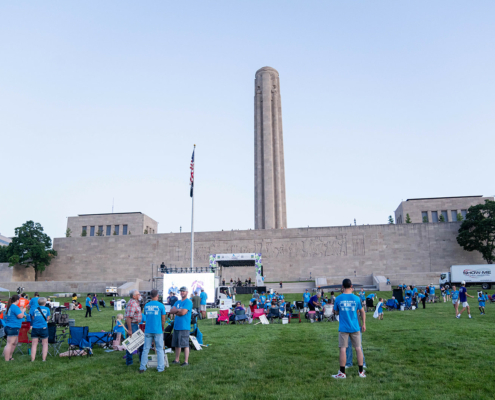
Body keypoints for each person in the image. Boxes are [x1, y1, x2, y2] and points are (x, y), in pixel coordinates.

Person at [332, 279, 366, 379]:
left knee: (343, 349)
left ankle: (342, 373)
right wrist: (364, 324)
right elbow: (362, 311)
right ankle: (361, 371)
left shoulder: (338, 298)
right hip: (355, 327)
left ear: (342, 286)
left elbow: (336, 312)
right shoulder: (356, 298)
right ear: (351, 286)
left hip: (343, 328)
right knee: (358, 348)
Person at [139, 289, 166, 373]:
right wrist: (162, 327)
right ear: (158, 295)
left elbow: (146, 317)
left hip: (148, 330)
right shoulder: (161, 306)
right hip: (158, 330)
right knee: (159, 349)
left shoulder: (146, 306)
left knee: (146, 349)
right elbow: (163, 319)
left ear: (150, 296)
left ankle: (142, 367)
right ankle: (160, 368)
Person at [170, 286, 193, 367]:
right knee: (177, 344)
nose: (182, 292)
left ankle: (186, 361)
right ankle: (177, 359)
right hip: (176, 326)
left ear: (187, 292)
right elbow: (171, 311)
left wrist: (177, 311)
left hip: (184, 326)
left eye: (183, 291)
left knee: (185, 344)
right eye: (181, 291)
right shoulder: (177, 302)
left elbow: (183, 313)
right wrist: (179, 311)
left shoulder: (188, 302)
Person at [3, 295, 25, 361]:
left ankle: (10, 356)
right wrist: (23, 310)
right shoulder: (15, 307)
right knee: (9, 344)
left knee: (15, 343)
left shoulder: (11, 307)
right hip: (12, 327)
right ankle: (7, 359)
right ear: (17, 300)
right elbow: (20, 316)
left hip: (11, 327)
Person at [124, 289, 143, 366]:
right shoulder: (132, 304)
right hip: (132, 325)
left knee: (136, 343)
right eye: (138, 294)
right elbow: (128, 317)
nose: (140, 295)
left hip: (135, 324)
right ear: (134, 296)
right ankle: (130, 362)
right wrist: (130, 329)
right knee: (134, 344)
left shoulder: (136, 302)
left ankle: (139, 360)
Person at [30, 297, 50, 362]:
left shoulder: (34, 309)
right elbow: (47, 318)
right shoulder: (47, 309)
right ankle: (44, 359)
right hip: (43, 327)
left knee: (34, 344)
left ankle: (32, 359)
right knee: (45, 343)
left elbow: (33, 318)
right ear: (45, 303)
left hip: (35, 327)